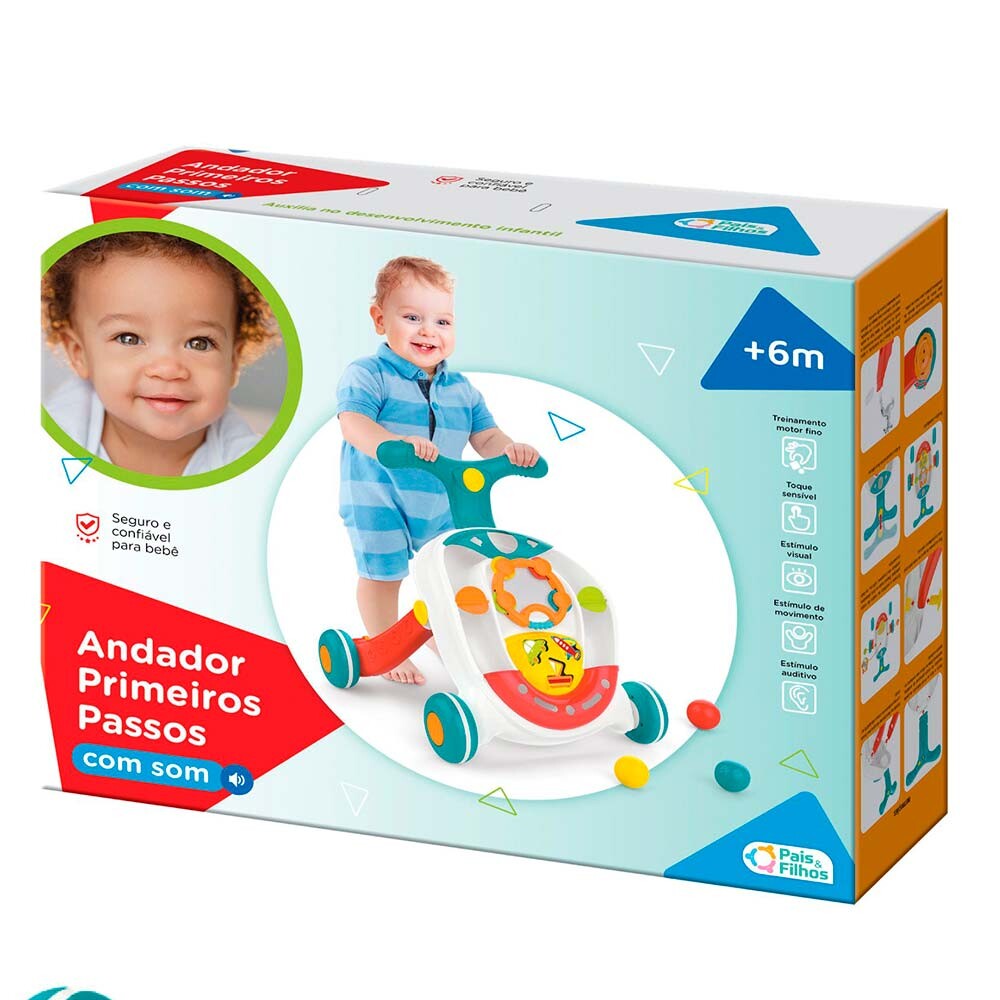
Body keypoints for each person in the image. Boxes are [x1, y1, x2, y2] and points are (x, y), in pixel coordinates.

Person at [337, 256, 539, 684]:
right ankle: (386, 646)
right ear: (380, 319)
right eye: (412, 318)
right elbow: (353, 422)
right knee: (383, 573)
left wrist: (511, 450)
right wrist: (393, 443)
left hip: (443, 499)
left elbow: (486, 437)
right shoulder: (368, 374)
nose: (428, 331)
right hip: (379, 495)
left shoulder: (462, 389)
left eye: (442, 322)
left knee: (455, 570)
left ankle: (438, 632)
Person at [43, 231, 280, 476]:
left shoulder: (250, 466)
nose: (168, 370)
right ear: (79, 354)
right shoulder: (55, 435)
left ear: (233, 361)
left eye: (199, 343)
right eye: (128, 338)